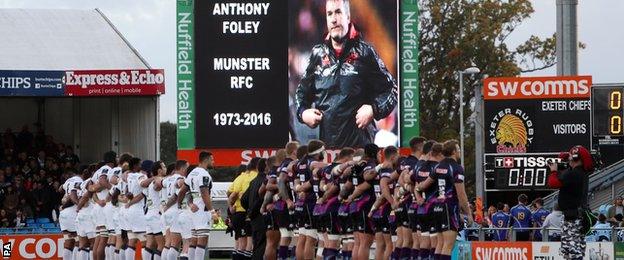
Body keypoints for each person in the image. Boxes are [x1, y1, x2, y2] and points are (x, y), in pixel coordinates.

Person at [295, 0, 398, 148]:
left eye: (338, 12)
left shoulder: (365, 53)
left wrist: (373, 109)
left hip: (360, 152)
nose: (334, 19)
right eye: (329, 14)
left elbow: (391, 90)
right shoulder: (317, 54)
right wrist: (303, 113)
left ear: (348, 17)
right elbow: (301, 94)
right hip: (328, 153)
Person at [416, 140, 473, 260]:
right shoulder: (457, 168)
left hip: (436, 207)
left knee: (440, 244)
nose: (459, 152)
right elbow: (461, 194)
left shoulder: (438, 166)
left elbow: (422, 185)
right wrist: (468, 213)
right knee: (448, 245)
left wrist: (415, 190)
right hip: (449, 207)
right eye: (458, 149)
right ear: (453, 152)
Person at [548, 145, 593, 259]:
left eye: (570, 158)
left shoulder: (573, 174)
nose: (569, 161)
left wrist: (553, 171)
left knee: (571, 249)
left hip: (572, 217)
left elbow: (554, 183)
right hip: (578, 215)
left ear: (576, 159)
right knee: (575, 247)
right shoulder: (582, 172)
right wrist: (566, 156)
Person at [294, 140, 328, 260]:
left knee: (302, 237)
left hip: (301, 204)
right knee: (311, 240)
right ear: (319, 151)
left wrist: (298, 188)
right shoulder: (312, 162)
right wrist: (335, 165)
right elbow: (321, 166)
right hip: (311, 202)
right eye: (323, 150)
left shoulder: (299, 163)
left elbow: (295, 179)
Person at [181, 151, 217, 260]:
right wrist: (212, 211)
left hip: (193, 210)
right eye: (212, 159)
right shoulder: (204, 174)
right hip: (202, 210)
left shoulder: (192, 173)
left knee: (194, 240)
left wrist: (189, 203)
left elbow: (183, 191)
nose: (213, 162)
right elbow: (204, 193)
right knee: (202, 241)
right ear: (206, 160)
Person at [413, 141, 443, 260]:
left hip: (421, 209)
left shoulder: (420, 167)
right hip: (433, 208)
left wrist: (418, 197)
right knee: (436, 245)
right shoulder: (437, 168)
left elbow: (413, 182)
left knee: (424, 244)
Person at [228, 157, 259, 260]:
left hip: (238, 213)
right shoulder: (255, 177)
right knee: (249, 242)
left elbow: (231, 193)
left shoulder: (239, 178)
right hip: (247, 213)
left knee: (240, 242)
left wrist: (230, 206)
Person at [89, 151, 117, 260]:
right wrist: (113, 189)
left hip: (98, 205)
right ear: (113, 159)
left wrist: (97, 200)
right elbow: (102, 180)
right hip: (105, 205)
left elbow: (91, 188)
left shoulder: (97, 171)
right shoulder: (107, 169)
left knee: (99, 238)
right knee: (105, 239)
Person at [59, 167, 82, 260]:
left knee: (68, 242)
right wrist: (79, 205)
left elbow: (60, 189)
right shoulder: (79, 180)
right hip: (72, 212)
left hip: (64, 214)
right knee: (78, 242)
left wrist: (64, 199)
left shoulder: (68, 181)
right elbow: (72, 196)